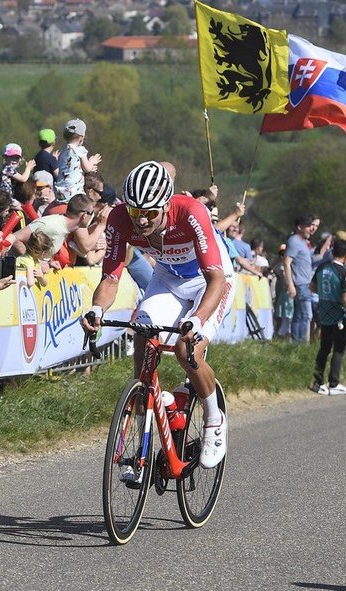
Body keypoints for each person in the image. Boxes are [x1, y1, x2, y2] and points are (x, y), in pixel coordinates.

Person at [81, 161, 235, 469]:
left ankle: (214, 419)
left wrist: (197, 320)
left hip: (211, 281)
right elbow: (110, 277)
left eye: (150, 213)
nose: (142, 221)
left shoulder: (191, 212)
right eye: (136, 212)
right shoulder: (120, 219)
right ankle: (145, 423)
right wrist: (97, 309)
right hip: (168, 278)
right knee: (143, 331)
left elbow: (216, 279)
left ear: (166, 205)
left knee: (185, 349)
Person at [311, 238, 346, 395]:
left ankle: (317, 382)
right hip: (338, 314)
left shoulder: (322, 267)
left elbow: (312, 286)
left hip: (323, 311)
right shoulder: (345, 272)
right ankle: (334, 383)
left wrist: (325, 295)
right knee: (339, 348)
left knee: (324, 347)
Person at [284, 214, 318, 342]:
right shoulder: (294, 241)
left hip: (305, 284)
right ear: (300, 227)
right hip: (300, 284)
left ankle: (297, 344)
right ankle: (302, 343)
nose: (311, 229)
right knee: (306, 315)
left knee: (299, 315)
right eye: (308, 226)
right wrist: (290, 285)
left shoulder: (303, 242)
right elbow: (287, 262)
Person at [54, 118, 101, 203]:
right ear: (81, 137)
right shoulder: (79, 150)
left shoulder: (63, 150)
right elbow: (88, 168)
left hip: (60, 192)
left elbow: (71, 168)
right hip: (74, 192)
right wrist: (92, 161)